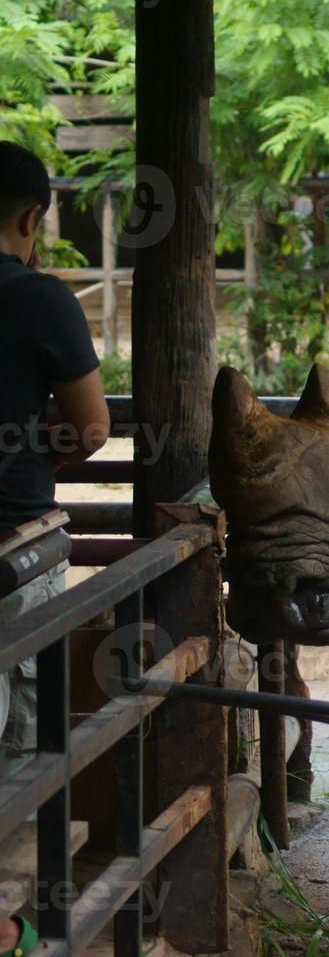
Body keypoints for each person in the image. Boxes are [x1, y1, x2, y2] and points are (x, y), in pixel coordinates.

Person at [0, 141, 109, 793]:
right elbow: (92, 426)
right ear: (31, 219)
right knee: (20, 753)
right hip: (18, 549)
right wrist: (48, 445)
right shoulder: (42, 300)